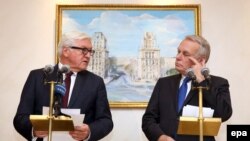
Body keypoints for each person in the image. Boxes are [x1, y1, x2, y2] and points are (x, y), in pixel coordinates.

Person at [13, 31, 113, 141]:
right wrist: (33, 129)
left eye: (90, 51)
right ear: (66, 51)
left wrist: (89, 131)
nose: (89, 55)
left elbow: (106, 121)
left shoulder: (96, 82)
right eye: (84, 50)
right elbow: (20, 117)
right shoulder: (37, 77)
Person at [142, 35, 232, 141]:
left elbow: (223, 114)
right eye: (178, 51)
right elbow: (148, 119)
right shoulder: (163, 83)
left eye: (185, 54)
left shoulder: (218, 83)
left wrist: (202, 81)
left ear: (201, 61)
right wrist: (161, 137)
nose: (178, 57)